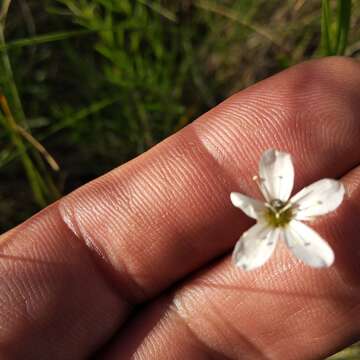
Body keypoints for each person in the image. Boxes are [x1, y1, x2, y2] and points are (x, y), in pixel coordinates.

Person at [1, 57, 359, 359]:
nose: (278, 212)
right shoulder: (264, 212)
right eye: (275, 212)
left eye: (277, 212)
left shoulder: (281, 212)